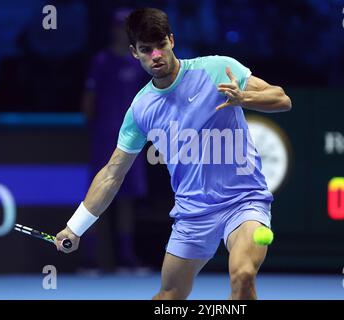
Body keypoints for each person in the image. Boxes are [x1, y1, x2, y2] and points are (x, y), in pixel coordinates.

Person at [55, 8, 291, 300]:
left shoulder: (217, 69)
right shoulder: (141, 109)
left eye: (161, 45)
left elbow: (282, 99)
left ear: (172, 40)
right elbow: (111, 174)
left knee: (242, 276)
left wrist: (246, 98)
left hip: (243, 202)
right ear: (134, 52)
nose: (156, 55)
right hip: (192, 214)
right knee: (169, 297)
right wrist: (75, 227)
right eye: (146, 49)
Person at [81, 8, 148, 272]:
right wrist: (98, 131)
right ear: (113, 30)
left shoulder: (138, 63)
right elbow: (88, 101)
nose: (123, 32)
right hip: (105, 139)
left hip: (132, 141)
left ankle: (126, 258)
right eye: (120, 27)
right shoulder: (101, 61)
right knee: (97, 196)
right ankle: (89, 259)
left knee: (126, 200)